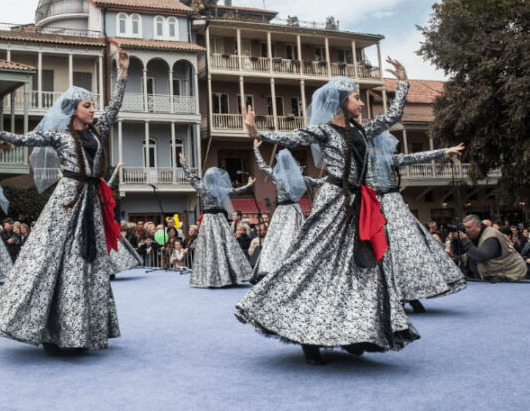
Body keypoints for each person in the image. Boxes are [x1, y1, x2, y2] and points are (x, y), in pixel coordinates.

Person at [236, 59, 420, 365]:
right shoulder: (324, 131)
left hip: (361, 205)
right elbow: (293, 137)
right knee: (316, 264)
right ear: (340, 103)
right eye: (356, 98)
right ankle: (311, 338)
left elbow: (393, 116)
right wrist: (258, 132)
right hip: (335, 202)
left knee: (362, 267)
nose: (361, 102)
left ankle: (354, 331)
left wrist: (403, 83)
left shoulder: (363, 129)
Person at [0, 49, 128, 352]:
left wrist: (121, 75)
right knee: (54, 259)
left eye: (93, 105)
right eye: (87, 105)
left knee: (87, 262)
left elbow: (115, 107)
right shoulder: (59, 135)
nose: (93, 110)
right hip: (67, 201)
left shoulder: (97, 128)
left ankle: (79, 329)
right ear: (74, 109)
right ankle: (53, 328)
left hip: (90, 201)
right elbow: (22, 139)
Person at [366, 131, 468, 313]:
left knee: (399, 251)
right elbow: (413, 158)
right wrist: (445, 151)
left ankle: (404, 296)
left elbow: (413, 157)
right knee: (403, 250)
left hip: (383, 204)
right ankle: (405, 296)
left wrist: (444, 151)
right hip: (383, 204)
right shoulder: (370, 159)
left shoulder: (371, 159)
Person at [249, 142, 324, 283]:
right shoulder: (300, 178)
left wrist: (256, 149)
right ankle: (295, 269)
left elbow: (262, 165)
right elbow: (319, 182)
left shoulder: (278, 177)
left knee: (278, 240)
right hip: (294, 211)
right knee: (293, 239)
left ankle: (274, 268)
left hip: (281, 211)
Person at [179, 153, 255, 288]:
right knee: (224, 246)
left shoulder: (203, 188)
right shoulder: (221, 189)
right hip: (219, 219)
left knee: (209, 247)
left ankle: (211, 276)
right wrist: (249, 185)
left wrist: (184, 164)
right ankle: (228, 275)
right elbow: (236, 190)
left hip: (208, 219)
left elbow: (190, 178)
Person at [450, 214, 527, 282]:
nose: (466, 230)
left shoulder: (491, 236)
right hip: (490, 277)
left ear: (478, 227)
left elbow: (481, 256)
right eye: (464, 227)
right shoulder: (473, 235)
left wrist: (465, 240)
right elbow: (457, 252)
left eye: (468, 227)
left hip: (510, 274)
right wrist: (455, 239)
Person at [106, 162, 141, 275]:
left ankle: (111, 272)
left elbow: (109, 184)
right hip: (93, 225)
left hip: (104, 225)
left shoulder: (100, 193)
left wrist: (116, 170)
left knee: (111, 248)